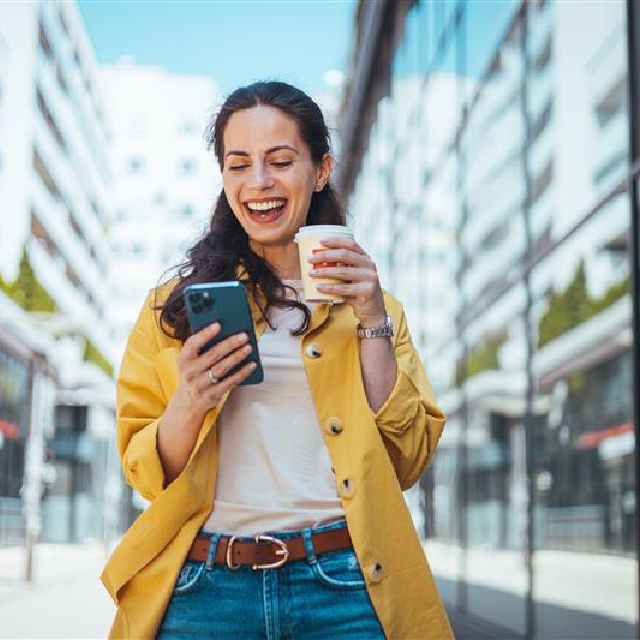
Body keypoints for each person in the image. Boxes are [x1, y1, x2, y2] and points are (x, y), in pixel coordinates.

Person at [100, 80, 453, 640]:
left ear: (320, 170)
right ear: (223, 178)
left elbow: (406, 460)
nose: (258, 183)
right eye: (238, 164)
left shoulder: (378, 310)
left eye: (280, 161)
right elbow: (146, 473)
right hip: (203, 589)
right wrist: (190, 401)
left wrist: (370, 320)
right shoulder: (173, 310)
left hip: (344, 587)